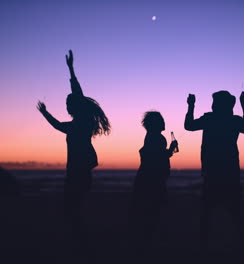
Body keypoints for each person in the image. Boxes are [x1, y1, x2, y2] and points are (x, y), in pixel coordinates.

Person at [37, 50, 111, 249]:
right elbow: (59, 123)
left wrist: (71, 69)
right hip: (79, 170)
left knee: (72, 207)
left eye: (69, 103)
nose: (67, 106)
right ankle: (79, 239)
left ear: (76, 106)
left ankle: (80, 242)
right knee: (73, 207)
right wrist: (45, 113)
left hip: (78, 171)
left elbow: (74, 98)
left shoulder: (81, 123)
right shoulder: (80, 123)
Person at [184, 90, 244, 249]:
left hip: (213, 172)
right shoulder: (233, 120)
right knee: (234, 211)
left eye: (215, 103)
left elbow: (189, 125)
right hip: (230, 172)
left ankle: (204, 246)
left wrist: (191, 106)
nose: (213, 105)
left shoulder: (210, 119)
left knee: (207, 212)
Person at [129, 111, 178, 255]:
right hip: (153, 179)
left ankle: (145, 241)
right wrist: (170, 149)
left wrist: (169, 150)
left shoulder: (151, 137)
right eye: (161, 120)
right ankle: (147, 243)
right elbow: (158, 157)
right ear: (156, 124)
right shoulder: (158, 138)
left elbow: (156, 155)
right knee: (152, 209)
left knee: (146, 209)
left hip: (146, 177)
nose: (164, 123)